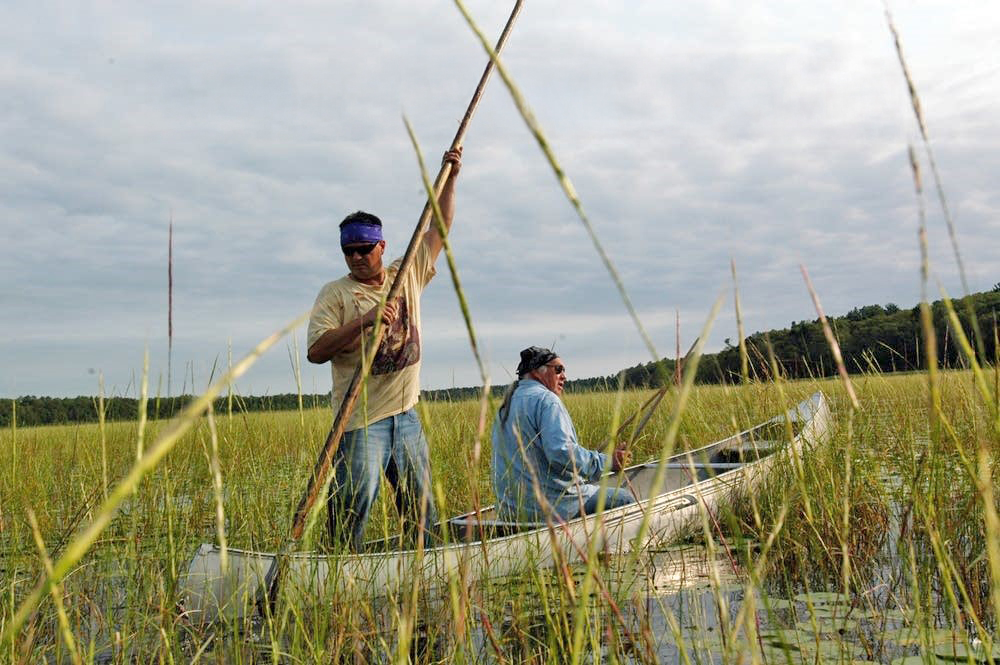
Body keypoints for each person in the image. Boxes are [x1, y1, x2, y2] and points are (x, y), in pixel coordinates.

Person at [306, 148, 462, 550]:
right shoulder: (336, 294)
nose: (357, 257)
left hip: (406, 413)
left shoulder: (405, 273)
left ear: (381, 246)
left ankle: (421, 564)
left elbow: (440, 226)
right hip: (361, 420)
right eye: (349, 251)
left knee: (421, 505)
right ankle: (338, 567)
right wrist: (365, 320)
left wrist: (450, 177)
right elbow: (317, 351)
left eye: (364, 248)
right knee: (353, 504)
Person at [491, 346, 635, 523]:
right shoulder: (547, 400)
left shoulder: (505, 405)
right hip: (550, 508)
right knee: (625, 499)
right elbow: (561, 453)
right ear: (537, 371)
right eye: (558, 369)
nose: (564, 376)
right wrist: (607, 462)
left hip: (510, 511)